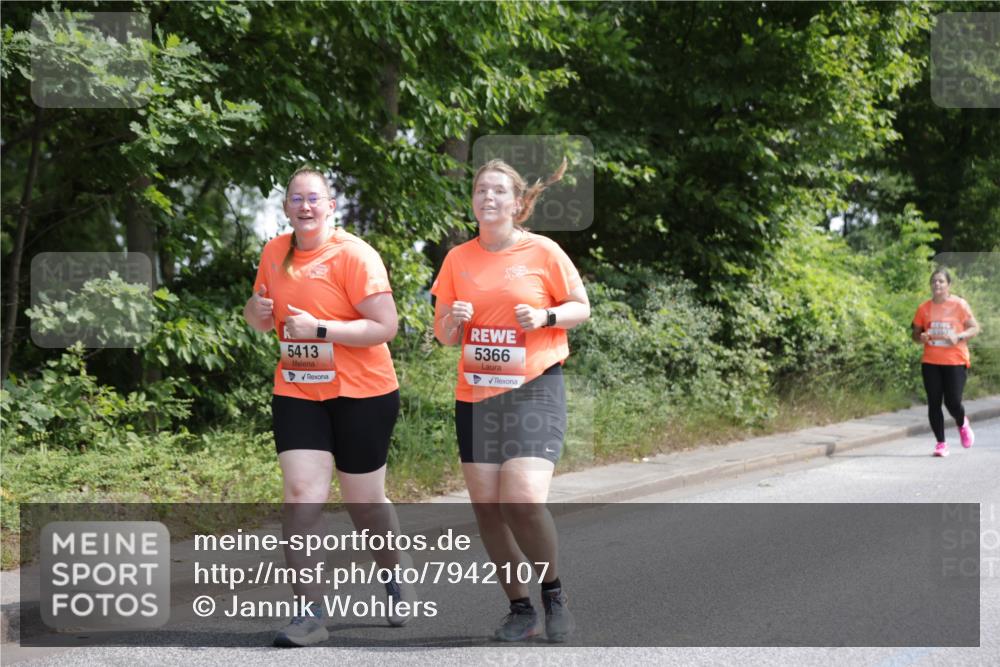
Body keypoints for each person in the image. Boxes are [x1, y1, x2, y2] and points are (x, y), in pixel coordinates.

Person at [244, 166, 414, 646]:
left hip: (364, 393)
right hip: (299, 389)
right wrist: (254, 314)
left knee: (364, 503)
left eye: (314, 198)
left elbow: (384, 326)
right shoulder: (274, 252)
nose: (305, 206)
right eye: (296, 199)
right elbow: (259, 313)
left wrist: (321, 329)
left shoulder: (355, 255)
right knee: (301, 495)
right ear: (286, 209)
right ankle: (310, 613)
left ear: (330, 207)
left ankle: (395, 569)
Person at [430, 158, 590, 642]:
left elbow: (580, 307)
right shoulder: (458, 259)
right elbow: (442, 336)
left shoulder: (543, 251)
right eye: (481, 190)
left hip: (534, 387)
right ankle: (519, 608)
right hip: (477, 394)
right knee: (487, 508)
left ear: (518, 203)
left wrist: (543, 318)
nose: (488, 197)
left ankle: (553, 592)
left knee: (521, 499)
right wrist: (453, 322)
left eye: (499, 191)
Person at [911, 268, 980, 458]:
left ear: (948, 285)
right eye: (934, 281)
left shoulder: (959, 305)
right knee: (934, 402)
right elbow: (915, 335)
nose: (937, 284)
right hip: (931, 361)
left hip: (955, 360)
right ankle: (941, 443)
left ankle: (962, 422)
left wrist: (958, 336)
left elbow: (974, 328)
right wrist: (921, 337)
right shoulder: (923, 308)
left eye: (941, 281)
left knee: (953, 402)